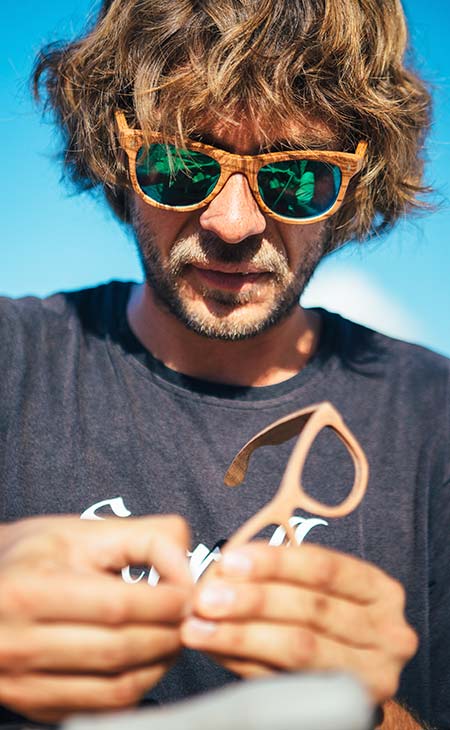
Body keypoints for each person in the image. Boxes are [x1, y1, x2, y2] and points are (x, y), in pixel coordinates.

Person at [0, 0, 448, 728]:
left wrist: (365, 711)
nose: (232, 224)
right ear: (119, 157)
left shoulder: (436, 419)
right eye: (179, 166)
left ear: (354, 186)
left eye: (296, 177)